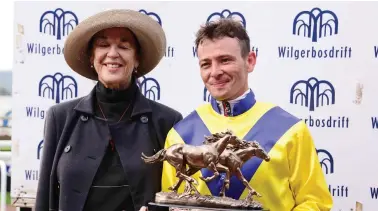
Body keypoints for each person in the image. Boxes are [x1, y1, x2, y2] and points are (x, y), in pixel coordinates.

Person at [161, 18, 333, 211]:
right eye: (206, 64)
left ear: (250, 61)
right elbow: (170, 202)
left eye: (225, 60)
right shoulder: (180, 133)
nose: (215, 72)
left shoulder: (291, 130)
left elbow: (315, 203)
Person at [34, 9, 182, 211]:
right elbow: (45, 197)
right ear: (91, 57)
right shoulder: (60, 117)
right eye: (103, 45)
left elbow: (176, 199)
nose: (113, 53)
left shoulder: (167, 121)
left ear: (137, 58)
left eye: (124, 46)